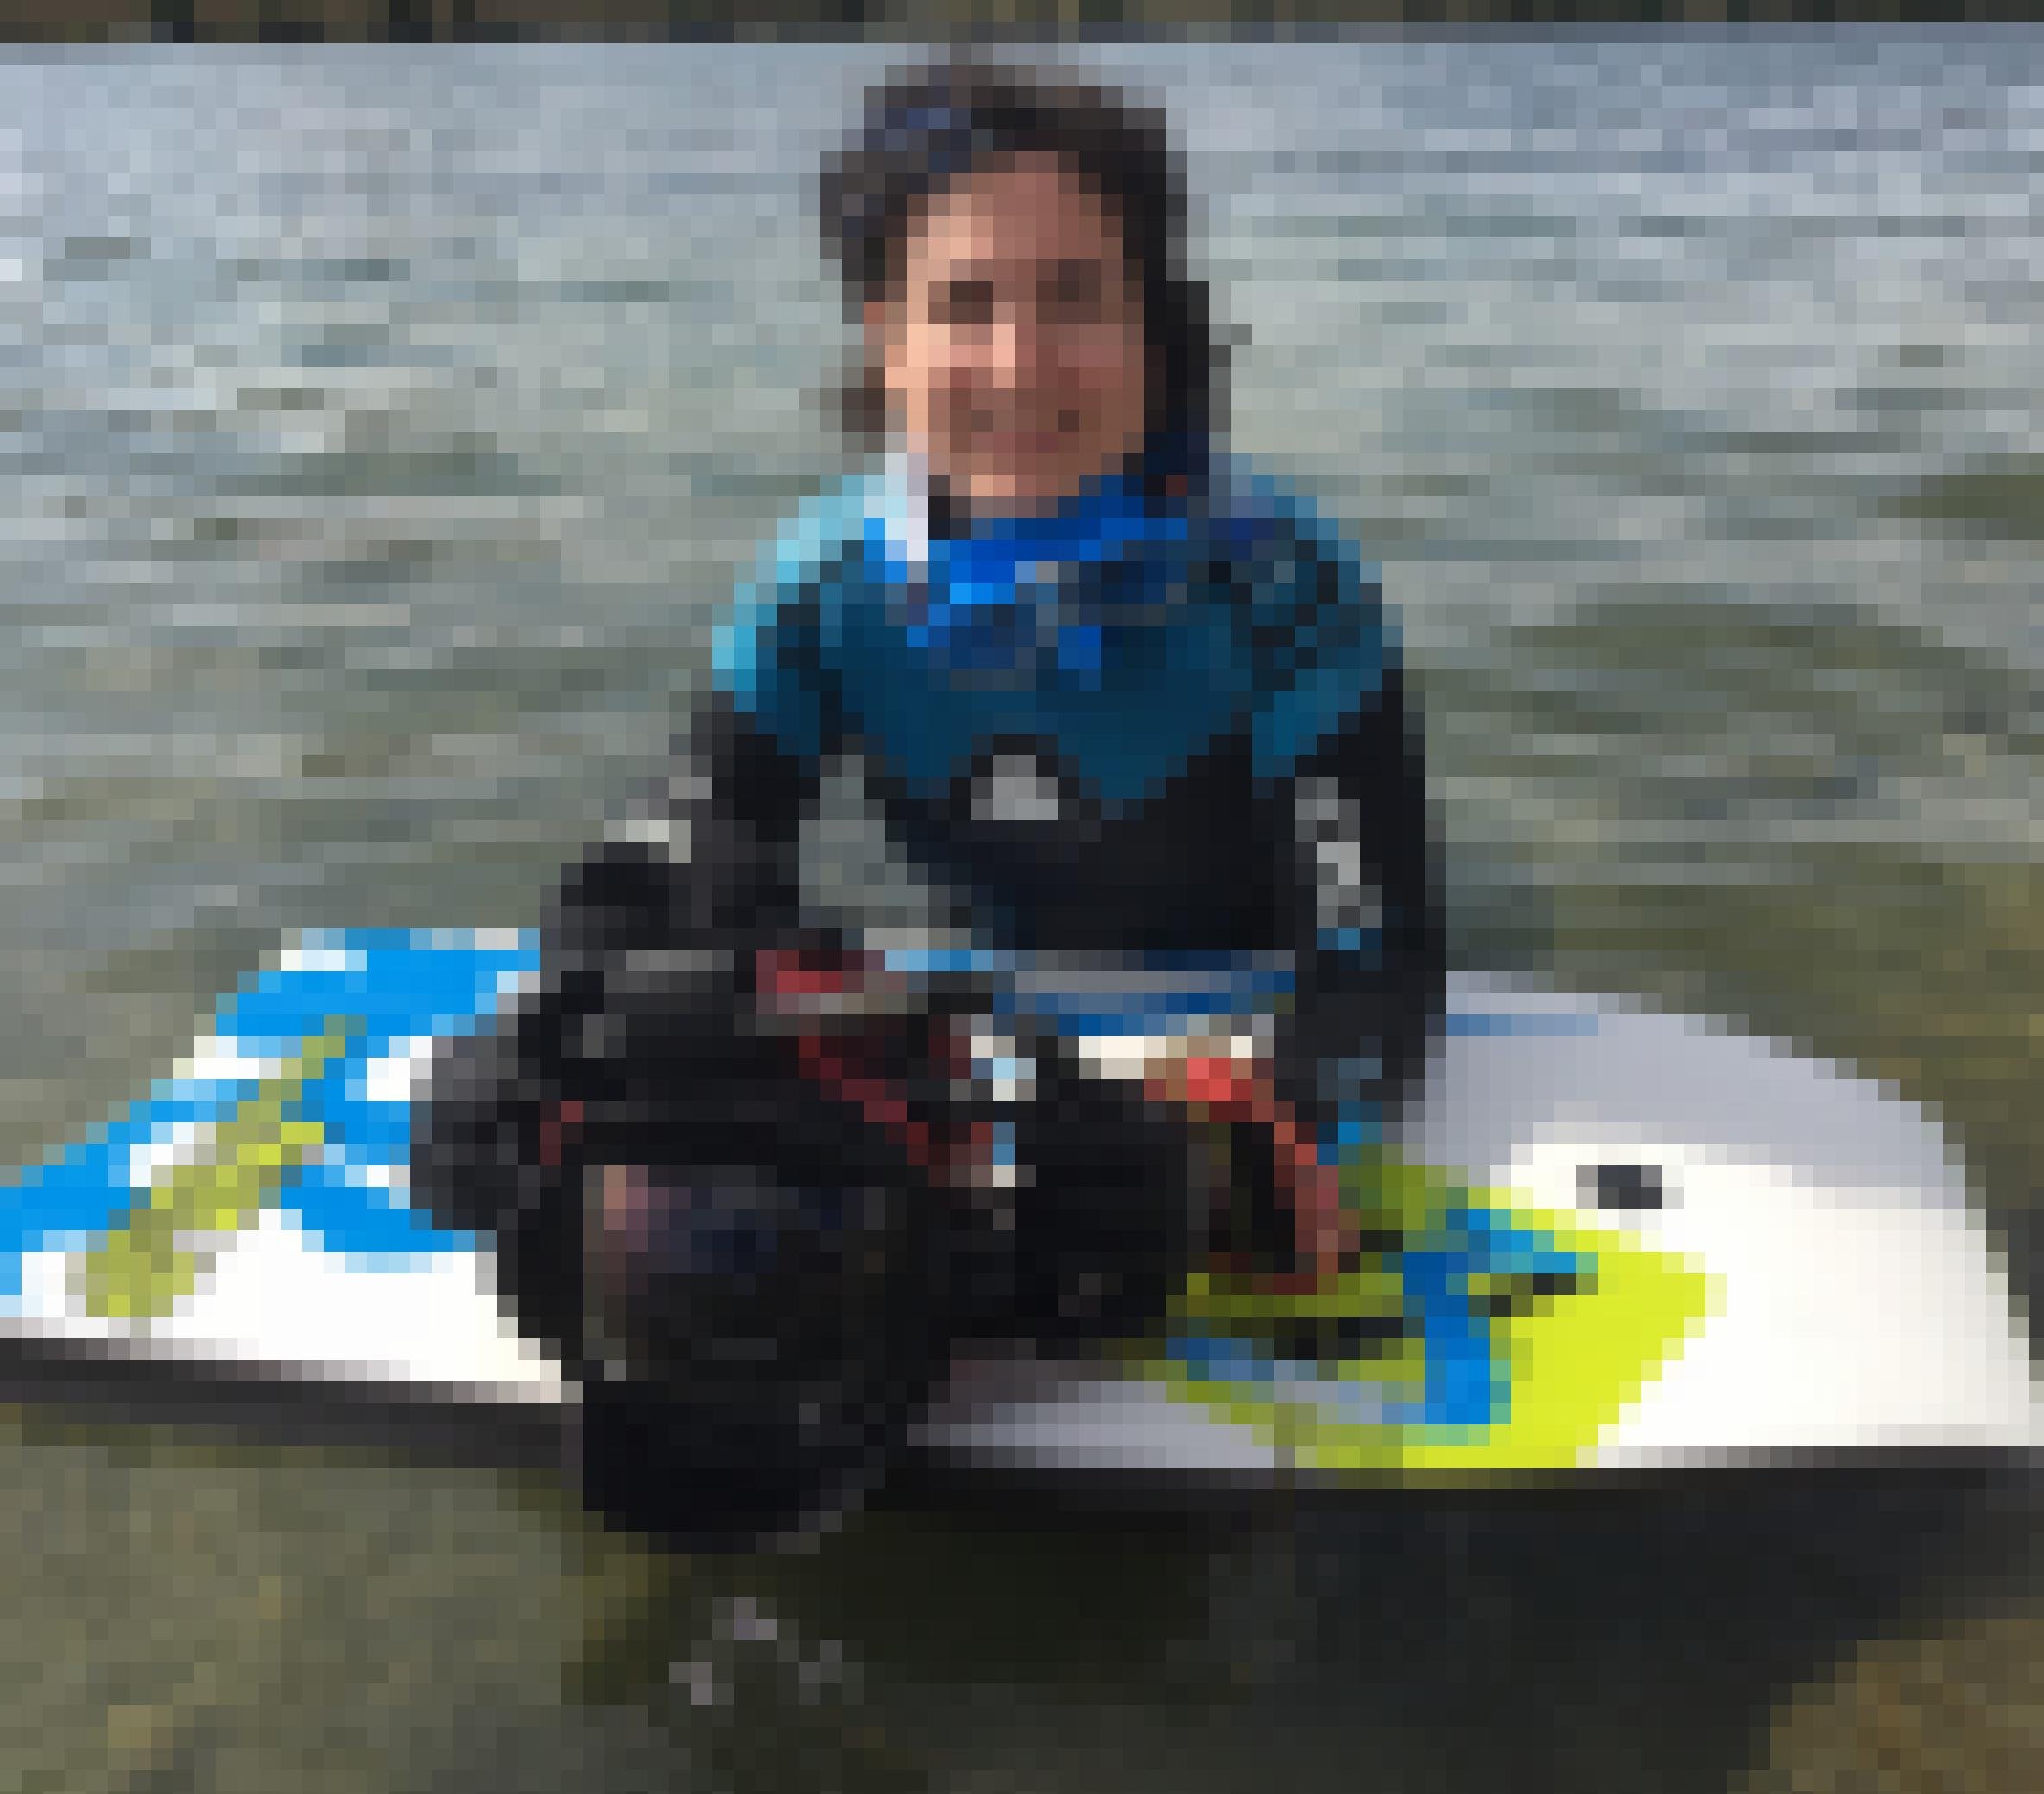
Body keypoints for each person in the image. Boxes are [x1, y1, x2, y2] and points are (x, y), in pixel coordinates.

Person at [409, 56, 1446, 1549]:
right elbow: (668, 861)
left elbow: (1376, 955)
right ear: (883, 337)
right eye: (964, 302)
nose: (1021, 367)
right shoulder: (824, 590)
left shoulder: (1284, 586)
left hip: (1251, 984)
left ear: (1158, 326)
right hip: (1024, 995)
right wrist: (552, 1038)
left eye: (1079, 294)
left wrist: (1264, 1138)